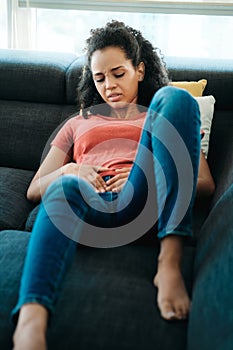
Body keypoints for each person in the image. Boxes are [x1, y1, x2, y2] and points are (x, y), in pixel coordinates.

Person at [12, 20, 215, 350]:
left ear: (139, 69)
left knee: (177, 99)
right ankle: (31, 322)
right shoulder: (77, 122)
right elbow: (35, 188)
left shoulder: (158, 115)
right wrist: (73, 169)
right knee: (62, 189)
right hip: (90, 205)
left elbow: (204, 183)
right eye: (100, 77)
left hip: (146, 203)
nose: (109, 86)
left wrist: (146, 174)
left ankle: (169, 263)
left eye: (118, 74)